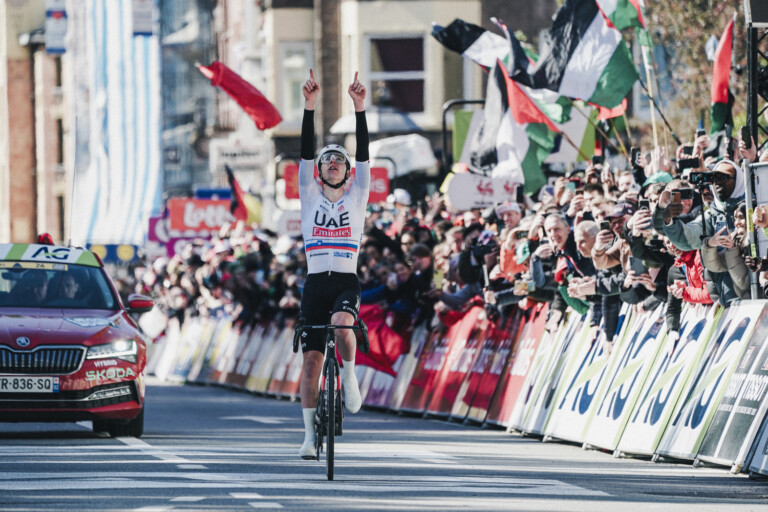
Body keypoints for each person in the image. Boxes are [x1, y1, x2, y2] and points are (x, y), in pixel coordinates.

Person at [297, 69, 368, 459]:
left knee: (342, 324)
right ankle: (309, 436)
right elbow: (306, 152)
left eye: (340, 160)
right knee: (310, 362)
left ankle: (350, 375)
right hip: (314, 284)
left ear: (348, 171)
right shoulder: (309, 194)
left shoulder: (358, 195)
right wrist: (309, 107)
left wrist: (359, 109)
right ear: (320, 171)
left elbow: (364, 154)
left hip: (344, 281)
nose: (334, 163)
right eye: (328, 161)